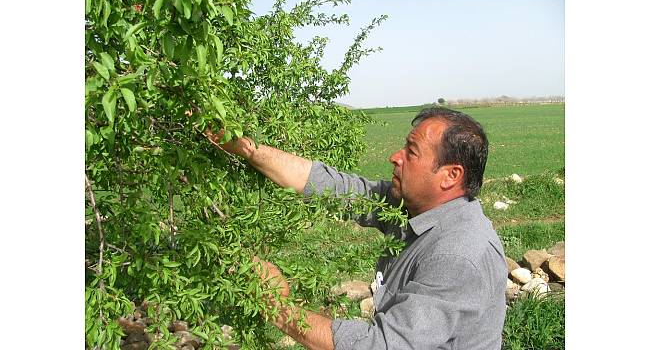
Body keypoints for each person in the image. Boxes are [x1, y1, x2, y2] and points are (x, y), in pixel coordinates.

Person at [205, 107, 507, 350]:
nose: (395, 157)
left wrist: (279, 307)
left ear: (450, 176)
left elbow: (381, 345)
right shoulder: (416, 207)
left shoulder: (458, 255)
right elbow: (340, 190)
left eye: (411, 152)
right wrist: (247, 148)